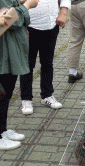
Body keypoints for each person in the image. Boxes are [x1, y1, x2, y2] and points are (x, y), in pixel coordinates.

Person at [19, 0, 71, 115]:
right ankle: (26, 99)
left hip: (51, 24)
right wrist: (21, 25)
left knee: (47, 63)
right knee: (27, 64)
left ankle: (47, 95)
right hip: (29, 26)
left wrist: (63, 12)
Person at [0, 0, 39, 150]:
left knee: (7, 94)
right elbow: (10, 21)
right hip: (4, 51)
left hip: (11, 51)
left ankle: (3, 130)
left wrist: (20, 4)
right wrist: (27, 6)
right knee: (2, 94)